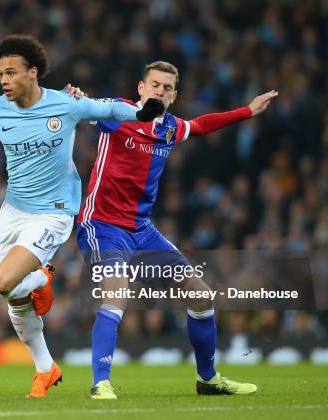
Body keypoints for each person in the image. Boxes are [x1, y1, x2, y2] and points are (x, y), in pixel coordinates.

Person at [0, 34, 164, 398]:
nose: (4, 80)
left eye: (11, 72)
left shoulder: (65, 105)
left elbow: (107, 109)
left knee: (1, 281)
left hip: (54, 213)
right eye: (0, 73)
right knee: (14, 296)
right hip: (13, 211)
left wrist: (140, 113)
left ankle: (42, 280)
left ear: (32, 73)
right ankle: (45, 368)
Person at [76, 61, 278, 398]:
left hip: (141, 230)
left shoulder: (170, 127)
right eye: (154, 84)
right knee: (116, 293)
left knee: (200, 297)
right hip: (103, 224)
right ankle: (101, 383)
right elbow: (83, 110)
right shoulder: (118, 112)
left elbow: (199, 125)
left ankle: (208, 379)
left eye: (167, 88)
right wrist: (77, 98)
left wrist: (247, 111)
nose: (160, 91)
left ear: (174, 95)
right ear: (141, 88)